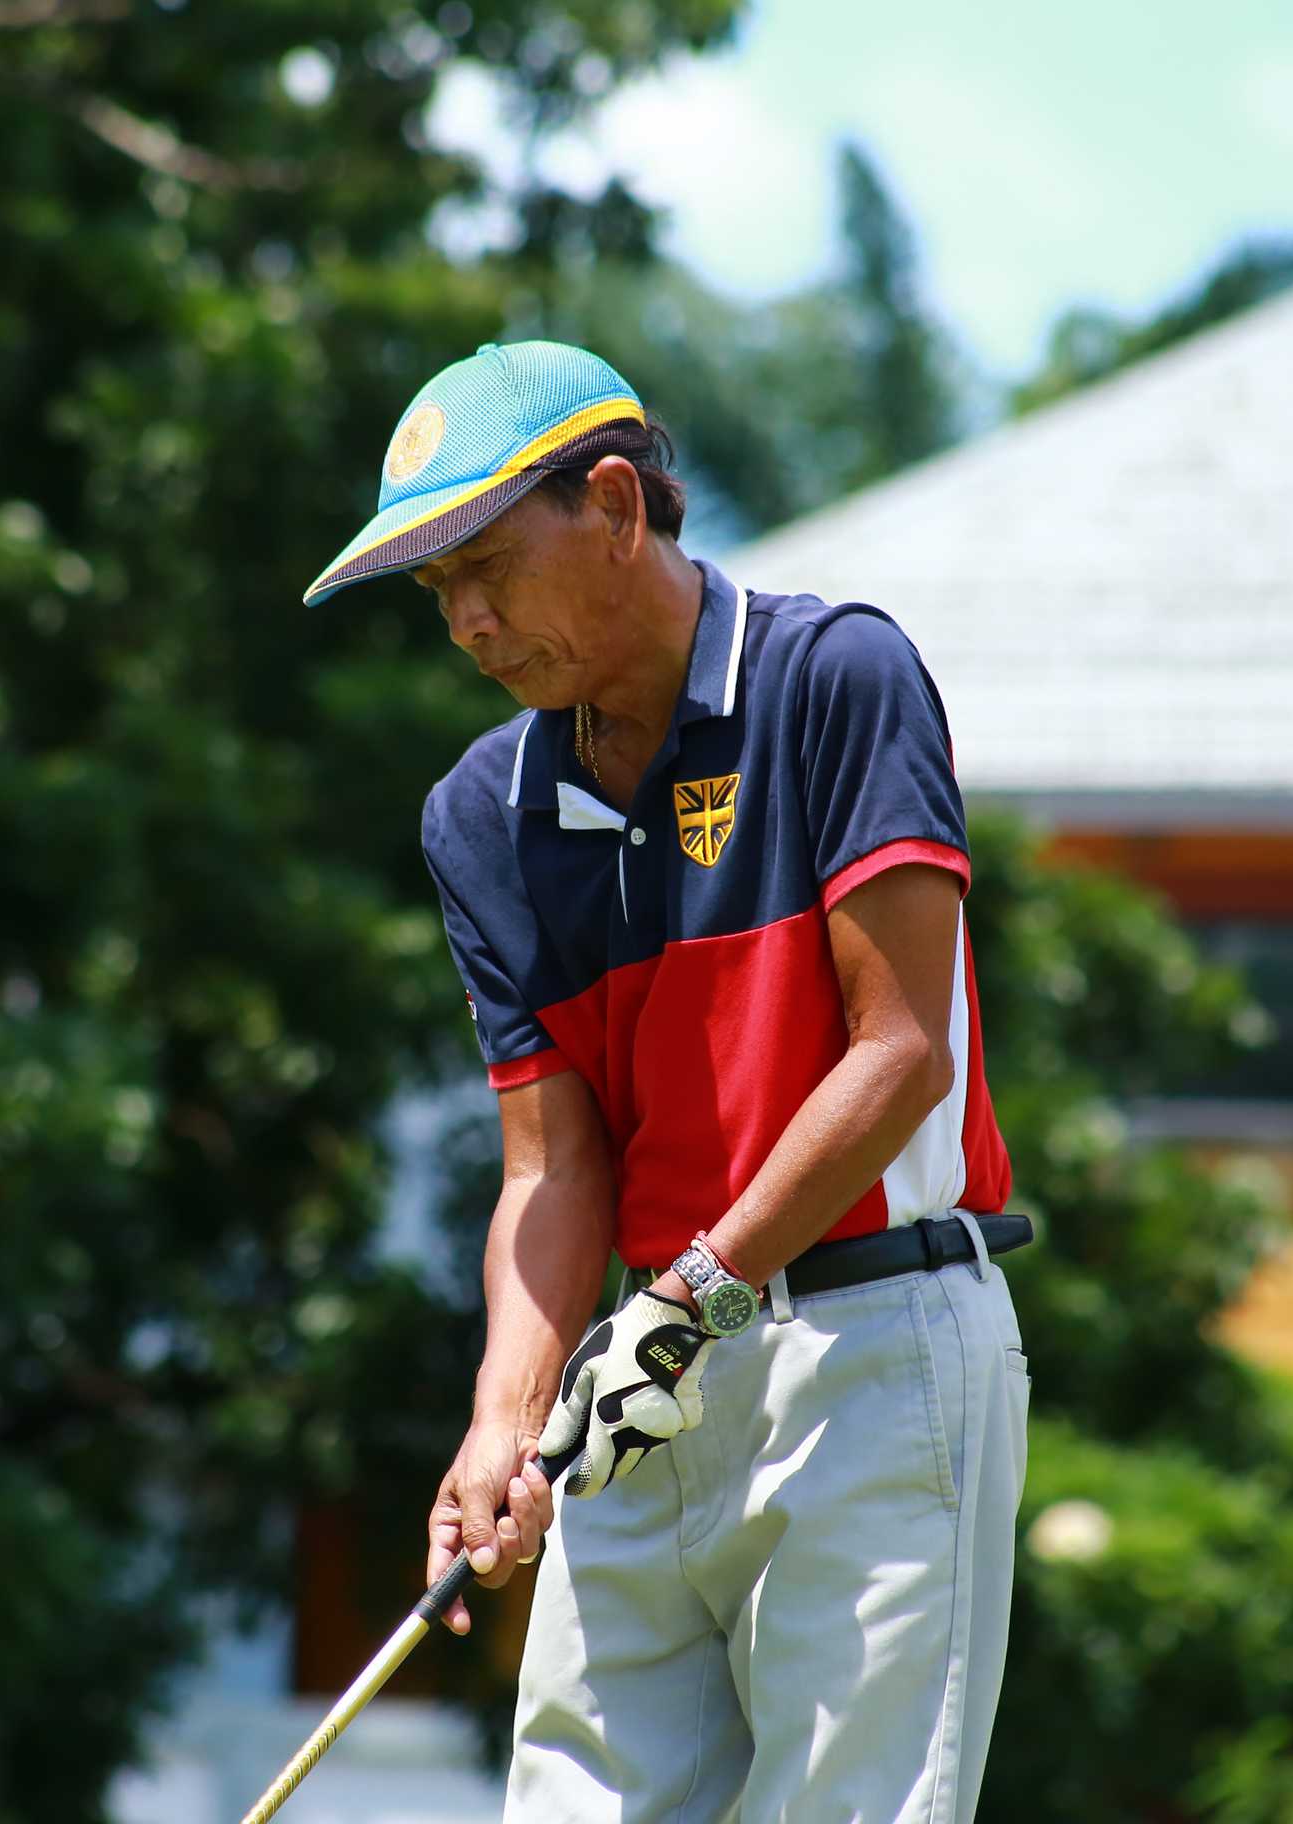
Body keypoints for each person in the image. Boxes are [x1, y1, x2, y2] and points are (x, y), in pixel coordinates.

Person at [305, 340, 1029, 1821]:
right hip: (643, 1386)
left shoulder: (834, 677)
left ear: (619, 508)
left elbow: (900, 1054)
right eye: (438, 590)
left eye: (490, 565)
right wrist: (504, 1419)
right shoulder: (481, 817)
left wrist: (693, 1299)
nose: (470, 621)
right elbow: (548, 1167)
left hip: (871, 1349)